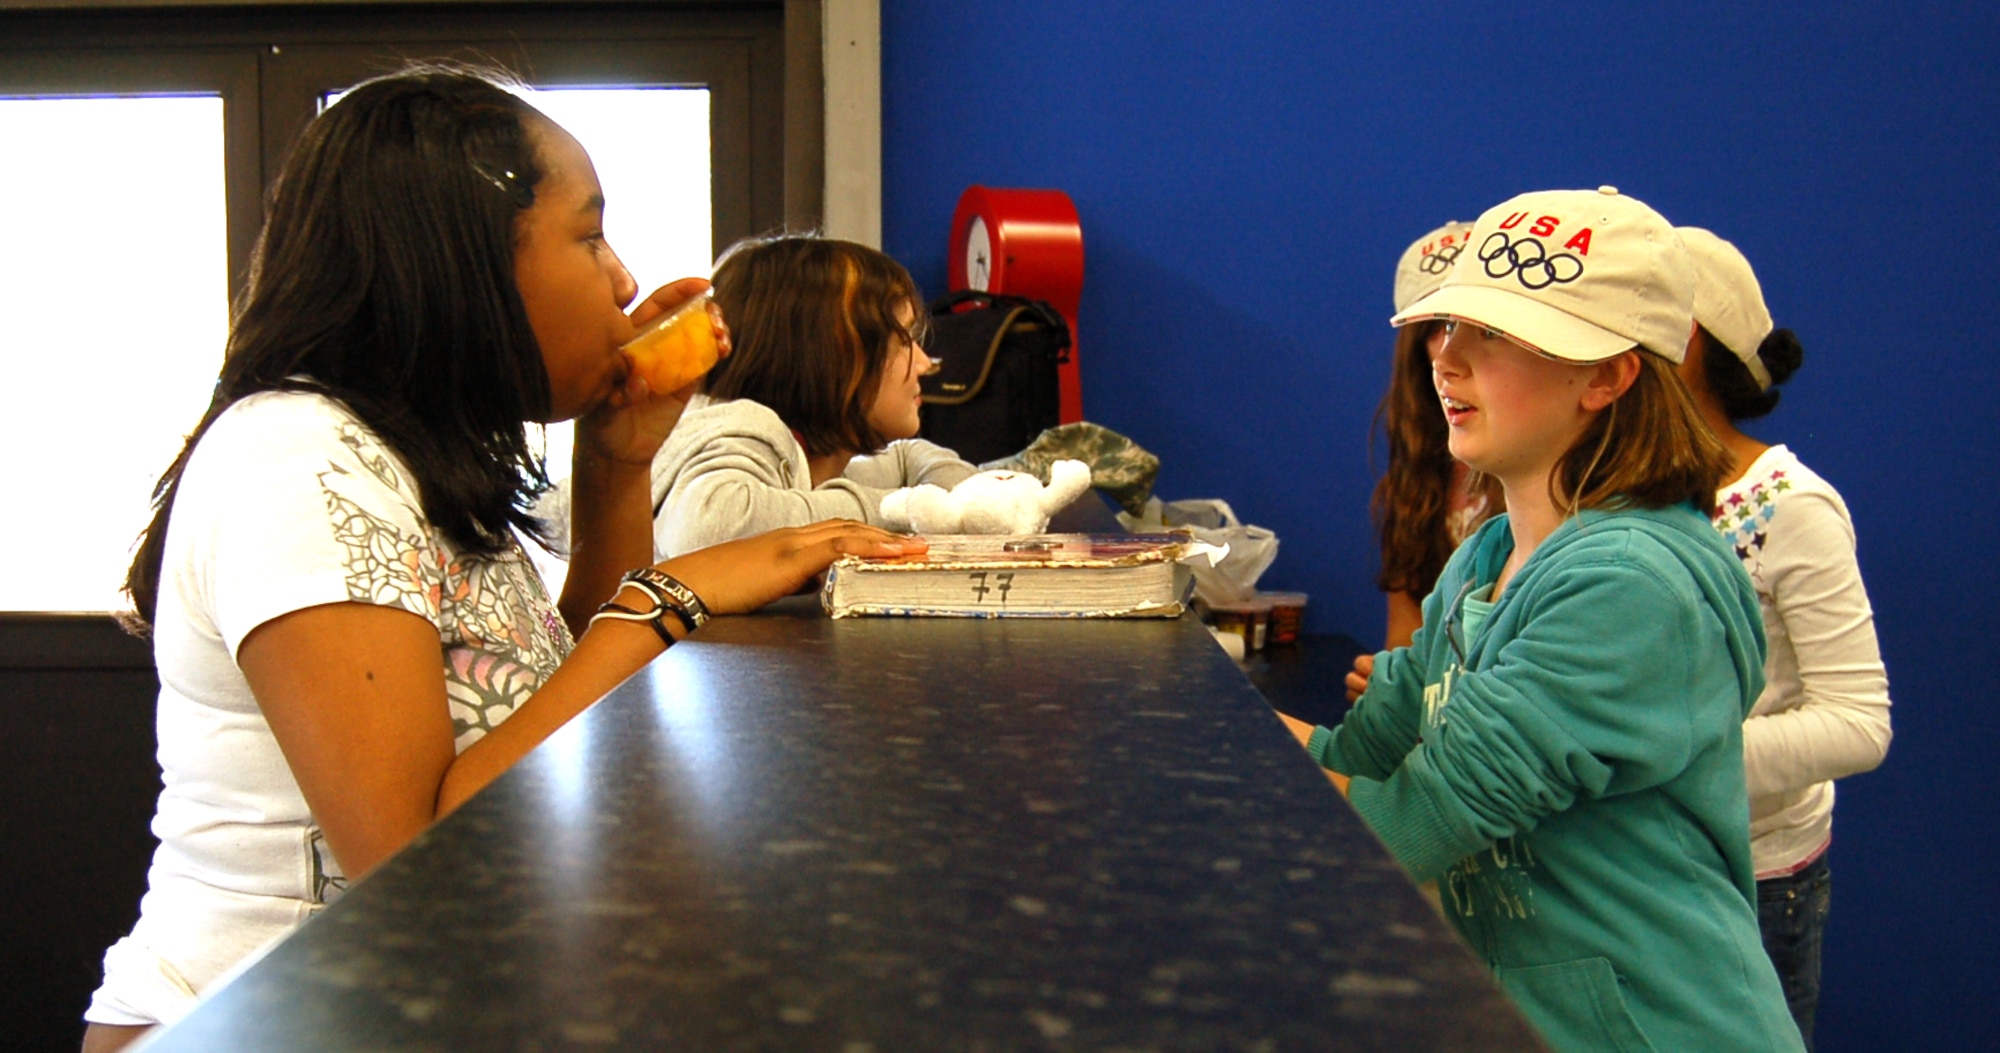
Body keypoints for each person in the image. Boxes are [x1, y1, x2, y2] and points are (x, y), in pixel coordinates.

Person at [81, 66, 920, 1052]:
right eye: (589, 235)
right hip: (256, 1020)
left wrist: (616, 465)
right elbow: (416, 860)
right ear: (465, 260)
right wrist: (671, 597)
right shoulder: (298, 463)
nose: (621, 281)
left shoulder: (398, 453)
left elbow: (530, 710)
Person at [1285, 187, 1804, 1052]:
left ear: (1607, 374)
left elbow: (1401, 824)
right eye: (1448, 327)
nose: (1445, 361)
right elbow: (1352, 760)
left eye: (1496, 335)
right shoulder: (1481, 564)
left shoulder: (1633, 585)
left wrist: (1190, 737)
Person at [1678, 225, 1892, 1049]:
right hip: (1639, 862)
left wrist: (1672, 759)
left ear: (1684, 341)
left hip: (1751, 881)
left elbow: (1859, 720)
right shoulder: (1604, 494)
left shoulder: (1789, 505)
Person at [541, 233, 978, 560]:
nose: (924, 362)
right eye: (904, 340)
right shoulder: (747, 423)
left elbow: (909, 460)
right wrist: (905, 514)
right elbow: (708, 527)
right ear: (830, 356)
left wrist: (945, 504)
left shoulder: (785, 445)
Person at [1371, 221, 1503, 648]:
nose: (1455, 354)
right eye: (1443, 325)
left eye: (1485, 328)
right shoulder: (1412, 483)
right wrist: (1386, 690)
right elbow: (1405, 645)